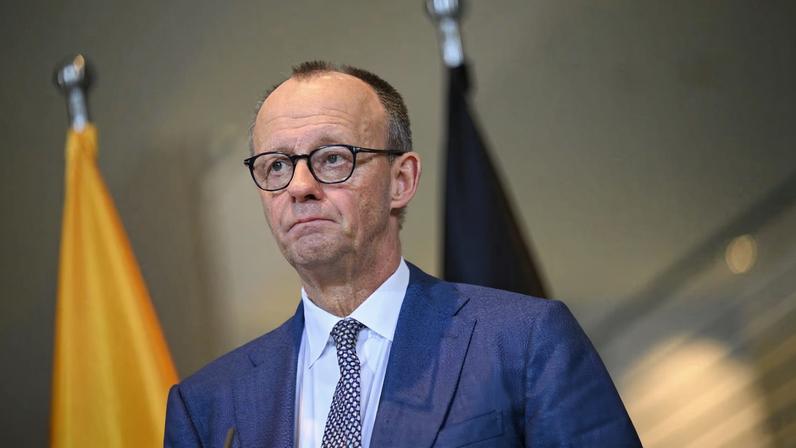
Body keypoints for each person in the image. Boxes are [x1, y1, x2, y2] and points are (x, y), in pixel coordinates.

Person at [164, 61, 641, 447]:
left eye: (332, 158)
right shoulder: (207, 406)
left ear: (402, 181)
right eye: (277, 165)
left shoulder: (524, 342)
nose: (300, 187)